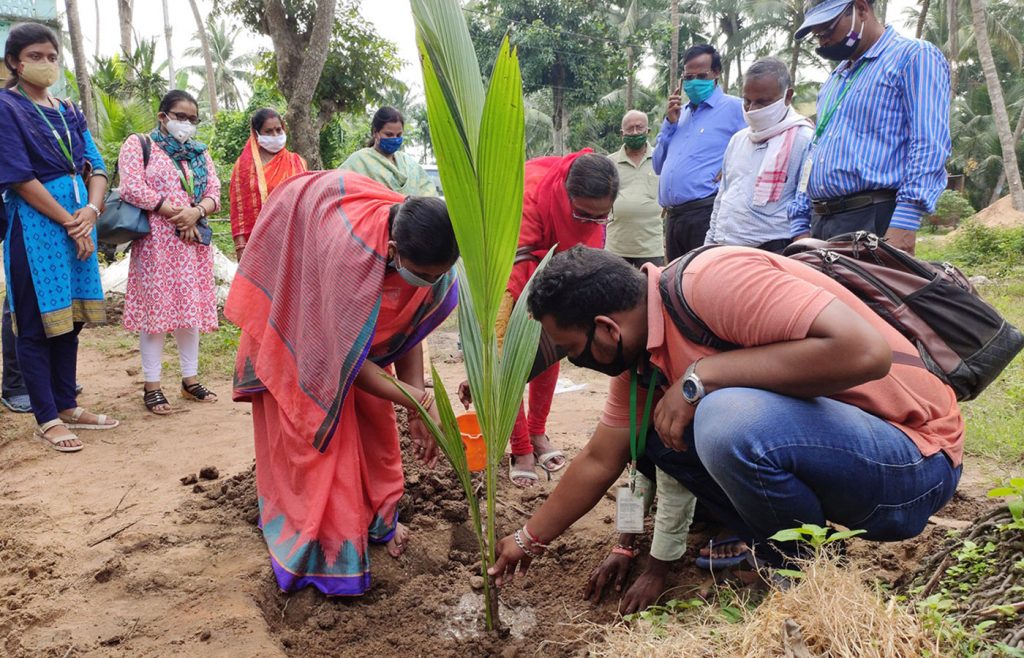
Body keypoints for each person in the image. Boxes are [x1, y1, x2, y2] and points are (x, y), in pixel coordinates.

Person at [487, 246, 963, 602]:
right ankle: (791, 547)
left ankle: (800, 574)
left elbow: (866, 352)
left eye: (574, 349)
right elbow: (599, 459)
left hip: (913, 463)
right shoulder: (642, 361)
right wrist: (529, 539)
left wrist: (701, 378)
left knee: (721, 417)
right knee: (655, 436)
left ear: (607, 328)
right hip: (846, 456)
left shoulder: (711, 282)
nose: (578, 362)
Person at [225, 170, 459, 596]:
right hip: (305, 309)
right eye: (424, 276)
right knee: (318, 433)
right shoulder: (348, 259)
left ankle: (376, 518)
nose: (430, 284)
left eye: (437, 277)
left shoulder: (428, 251)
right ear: (392, 252)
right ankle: (324, 545)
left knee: (374, 418)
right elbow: (339, 364)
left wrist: (414, 401)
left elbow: (410, 325)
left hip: (348, 314)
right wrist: (420, 401)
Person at [0, 23, 119, 451]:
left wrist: (90, 210)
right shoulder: (6, 107)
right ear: (15, 61)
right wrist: (72, 222)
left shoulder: (68, 109)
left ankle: (67, 403)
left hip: (78, 219)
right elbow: (18, 178)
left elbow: (98, 164)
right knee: (33, 323)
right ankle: (46, 416)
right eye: (36, 56)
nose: (47, 64)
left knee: (69, 320)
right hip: (35, 227)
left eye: (52, 56)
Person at [788, 0, 951, 255]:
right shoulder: (835, 79)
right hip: (821, 222)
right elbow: (815, 150)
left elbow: (929, 142)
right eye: (817, 36)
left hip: (873, 218)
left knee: (865, 296)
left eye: (828, 31)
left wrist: (905, 221)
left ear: (862, 9)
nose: (823, 42)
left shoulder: (912, 56)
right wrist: (800, 223)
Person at [502, 151, 618, 487]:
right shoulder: (530, 193)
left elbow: (589, 254)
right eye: (583, 214)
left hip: (562, 273)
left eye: (601, 216)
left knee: (556, 344)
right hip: (516, 276)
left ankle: (537, 432)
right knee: (512, 357)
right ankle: (520, 447)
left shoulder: (593, 212)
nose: (591, 222)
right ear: (566, 195)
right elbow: (518, 264)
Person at [117, 90, 222, 415]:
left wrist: (197, 212)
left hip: (192, 246)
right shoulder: (139, 144)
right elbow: (131, 187)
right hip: (156, 245)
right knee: (156, 314)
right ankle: (152, 385)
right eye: (180, 116)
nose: (186, 124)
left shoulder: (199, 154)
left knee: (188, 312)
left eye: (192, 119)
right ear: (163, 117)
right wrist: (174, 212)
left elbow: (214, 192)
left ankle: (190, 380)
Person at [705, 57, 813, 254]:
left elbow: (805, 206)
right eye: (747, 101)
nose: (753, 110)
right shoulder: (738, 140)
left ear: (787, 96)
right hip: (723, 248)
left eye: (763, 102)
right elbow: (723, 197)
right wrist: (708, 246)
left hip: (771, 253)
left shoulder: (803, 140)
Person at [653, 44, 746, 261]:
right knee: (674, 285)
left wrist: (729, 168)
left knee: (701, 281)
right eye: (688, 77)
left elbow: (755, 146)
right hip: (673, 217)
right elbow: (657, 165)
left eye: (701, 75)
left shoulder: (734, 108)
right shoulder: (679, 115)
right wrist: (669, 124)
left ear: (716, 74)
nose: (694, 82)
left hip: (706, 213)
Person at [228, 108, 307, 260]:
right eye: (268, 131)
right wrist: (241, 248)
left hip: (295, 241)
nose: (275, 135)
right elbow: (239, 211)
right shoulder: (245, 168)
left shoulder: (297, 161)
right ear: (256, 134)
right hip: (260, 244)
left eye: (278, 130)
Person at [606, 111, 664, 268]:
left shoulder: (661, 160)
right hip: (616, 247)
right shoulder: (609, 163)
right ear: (621, 133)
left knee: (651, 291)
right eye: (630, 129)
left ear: (648, 131)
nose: (635, 132)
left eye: (639, 127)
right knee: (615, 291)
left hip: (651, 248)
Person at [340, 106, 436, 197]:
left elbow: (428, 191)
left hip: (413, 214)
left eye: (398, 135)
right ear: (375, 132)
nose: (394, 139)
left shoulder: (408, 163)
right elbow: (338, 186)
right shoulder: (359, 161)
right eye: (389, 134)